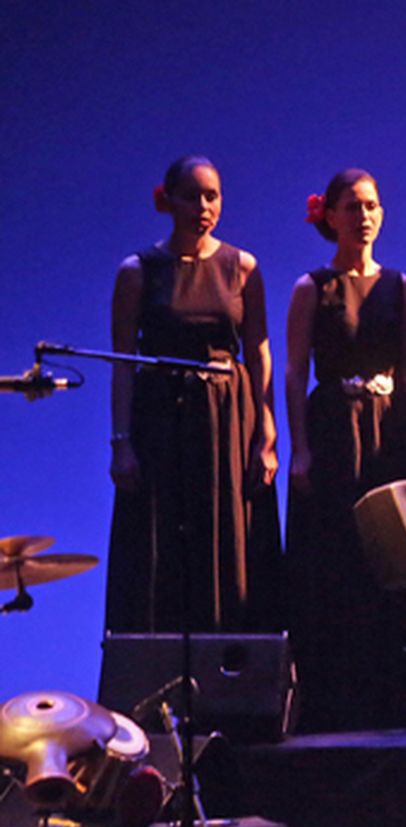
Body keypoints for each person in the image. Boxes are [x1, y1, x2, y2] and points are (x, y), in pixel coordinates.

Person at [106, 155, 282, 633]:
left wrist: (267, 433)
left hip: (228, 419)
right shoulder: (139, 271)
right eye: (192, 196)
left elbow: (259, 352)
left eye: (212, 196)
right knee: (162, 545)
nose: (203, 206)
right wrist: (121, 443)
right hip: (162, 420)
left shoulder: (243, 267)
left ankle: (235, 679)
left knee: (230, 540)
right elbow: (123, 362)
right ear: (168, 201)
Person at [283, 169, 406, 731]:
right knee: (334, 556)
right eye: (353, 206)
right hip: (332, 428)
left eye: (372, 205)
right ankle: (330, 700)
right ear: (332, 216)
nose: (364, 216)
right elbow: (295, 373)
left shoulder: (401, 285)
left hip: (385, 430)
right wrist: (298, 448)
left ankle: (389, 697)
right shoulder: (312, 287)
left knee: (389, 554)